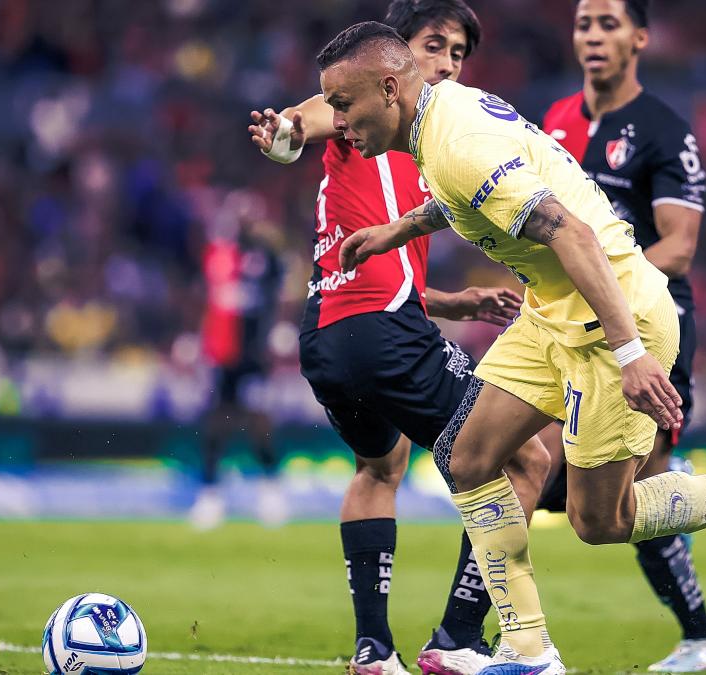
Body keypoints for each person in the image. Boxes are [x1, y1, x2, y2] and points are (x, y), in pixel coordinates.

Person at [327, 22, 706, 674]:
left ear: (389, 89)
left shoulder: (456, 146)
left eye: (342, 103)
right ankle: (530, 650)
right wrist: (396, 230)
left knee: (601, 519)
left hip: (613, 318)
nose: (337, 121)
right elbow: (466, 200)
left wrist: (631, 354)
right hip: (555, 312)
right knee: (467, 454)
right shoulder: (443, 112)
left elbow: (574, 238)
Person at [248, 3, 550, 673]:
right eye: (434, 47)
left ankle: (372, 650)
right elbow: (308, 119)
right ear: (392, 61)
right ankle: (459, 638)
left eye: (459, 54)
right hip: (380, 329)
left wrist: (454, 300)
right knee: (527, 460)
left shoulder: (424, 145)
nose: (446, 64)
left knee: (379, 468)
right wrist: (282, 133)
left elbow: (376, 262)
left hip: (329, 332)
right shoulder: (362, 107)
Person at [537, 1, 706, 670]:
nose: (593, 35)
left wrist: (607, 287)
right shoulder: (555, 121)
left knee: (627, 502)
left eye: (609, 24)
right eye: (584, 23)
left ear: (639, 38)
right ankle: (493, 639)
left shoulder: (663, 131)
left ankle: (704, 635)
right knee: (530, 469)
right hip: (567, 330)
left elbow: (679, 244)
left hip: (650, 331)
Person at [191, 194, 286, 531]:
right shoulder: (218, 254)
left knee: (258, 421)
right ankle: (210, 492)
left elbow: (279, 299)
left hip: (254, 354)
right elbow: (205, 299)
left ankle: (269, 488)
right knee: (216, 421)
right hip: (222, 352)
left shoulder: (268, 257)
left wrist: (276, 339)